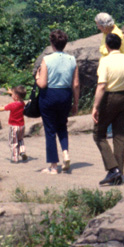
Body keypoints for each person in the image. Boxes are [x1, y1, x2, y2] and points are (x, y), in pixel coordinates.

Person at [91, 31, 124, 186]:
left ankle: (113, 169)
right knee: (119, 135)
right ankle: (118, 174)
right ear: (120, 45)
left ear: (107, 46)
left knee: (98, 134)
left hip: (109, 98)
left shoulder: (105, 61)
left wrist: (95, 106)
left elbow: (102, 85)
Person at [36, 29, 80, 174]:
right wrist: (76, 103)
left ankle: (54, 166)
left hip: (49, 95)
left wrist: (37, 77)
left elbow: (42, 84)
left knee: (50, 130)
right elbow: (76, 84)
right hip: (65, 95)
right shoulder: (72, 59)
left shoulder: (46, 59)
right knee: (62, 126)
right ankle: (65, 153)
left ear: (52, 43)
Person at [0, 84, 28, 163]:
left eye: (12, 94)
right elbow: (17, 97)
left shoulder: (13, 105)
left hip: (14, 127)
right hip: (21, 126)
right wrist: (11, 92)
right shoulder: (22, 103)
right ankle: (22, 151)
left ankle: (15, 157)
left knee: (13, 142)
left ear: (16, 96)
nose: (11, 96)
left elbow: (3, 108)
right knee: (20, 139)